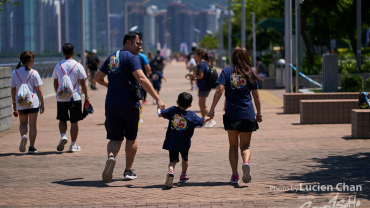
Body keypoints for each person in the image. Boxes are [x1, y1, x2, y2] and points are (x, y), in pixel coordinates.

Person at [94, 31, 165, 183]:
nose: (140, 47)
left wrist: (110, 85)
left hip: (111, 104)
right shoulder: (132, 58)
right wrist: (157, 98)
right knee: (131, 137)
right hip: (129, 104)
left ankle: (111, 158)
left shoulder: (112, 57)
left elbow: (96, 78)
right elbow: (141, 77)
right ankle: (128, 170)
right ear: (128, 43)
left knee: (114, 138)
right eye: (138, 43)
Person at [208, 47, 263, 184]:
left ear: (232, 58)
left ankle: (234, 175)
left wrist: (212, 109)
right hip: (247, 113)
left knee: (233, 146)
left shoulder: (226, 72)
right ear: (246, 57)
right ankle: (246, 162)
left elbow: (219, 90)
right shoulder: (250, 73)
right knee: (245, 146)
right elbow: (256, 96)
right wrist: (259, 113)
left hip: (231, 113)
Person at [158, 92, 211, 188]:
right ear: (190, 105)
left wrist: (159, 108)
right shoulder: (191, 115)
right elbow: (201, 121)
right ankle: (183, 175)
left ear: (177, 102)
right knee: (185, 158)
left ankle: (170, 171)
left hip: (172, 140)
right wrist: (209, 117)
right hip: (184, 141)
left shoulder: (173, 110)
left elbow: (160, 114)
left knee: (173, 160)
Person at [53, 43, 90, 152]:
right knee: (74, 122)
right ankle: (73, 145)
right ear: (73, 52)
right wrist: (87, 97)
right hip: (75, 97)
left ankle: (63, 135)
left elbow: (55, 82)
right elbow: (83, 83)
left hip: (61, 98)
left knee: (62, 119)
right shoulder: (78, 65)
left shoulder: (58, 65)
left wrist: (58, 94)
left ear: (63, 52)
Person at [10, 51, 45, 153]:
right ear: (30, 61)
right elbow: (39, 89)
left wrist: (14, 103)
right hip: (33, 102)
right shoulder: (34, 73)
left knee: (23, 123)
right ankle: (32, 146)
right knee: (33, 125)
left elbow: (13, 89)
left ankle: (23, 136)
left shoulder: (15, 72)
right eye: (33, 59)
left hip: (21, 103)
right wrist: (42, 103)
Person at [191, 49, 216, 128]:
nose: (194, 56)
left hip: (203, 87)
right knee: (201, 104)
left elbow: (201, 76)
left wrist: (194, 77)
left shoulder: (202, 64)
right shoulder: (204, 63)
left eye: (195, 55)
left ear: (200, 56)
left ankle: (211, 120)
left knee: (202, 105)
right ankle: (203, 121)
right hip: (204, 86)